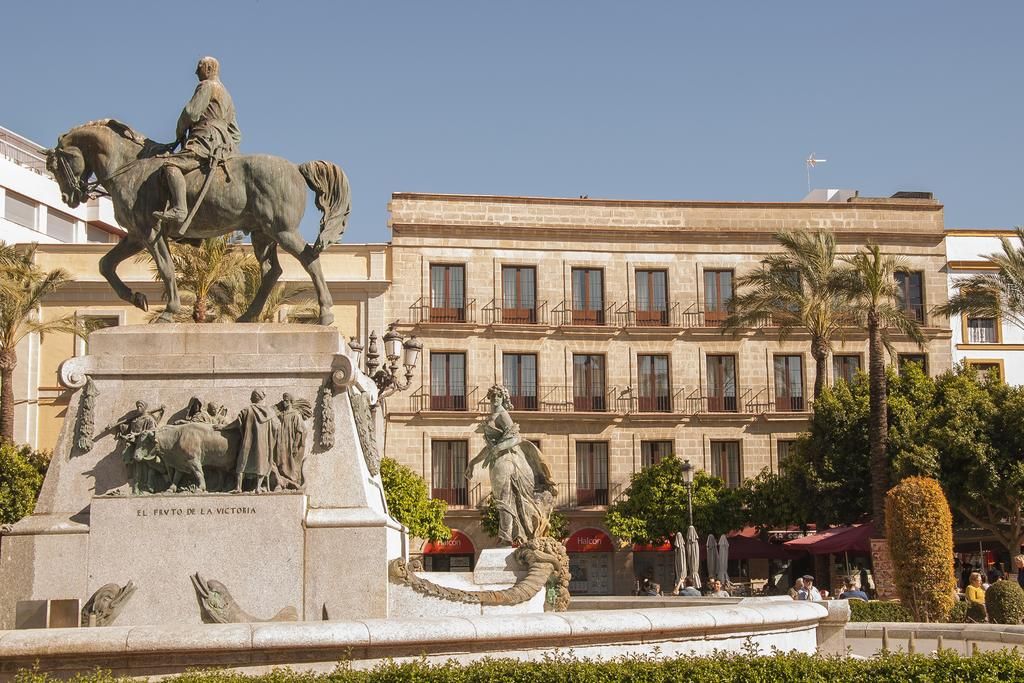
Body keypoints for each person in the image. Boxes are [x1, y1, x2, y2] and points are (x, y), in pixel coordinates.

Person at [153, 56, 242, 234]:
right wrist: (225, 145)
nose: (195, 72)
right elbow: (236, 133)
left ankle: (179, 209)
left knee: (171, 165)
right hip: (225, 146)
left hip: (204, 139)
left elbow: (191, 113)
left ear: (208, 69)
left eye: (199, 68)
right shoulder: (227, 95)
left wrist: (179, 131)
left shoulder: (207, 86)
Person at [466, 385, 556, 544]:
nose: (495, 399)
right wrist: (473, 462)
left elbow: (516, 438)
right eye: (493, 396)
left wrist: (498, 448)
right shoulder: (493, 416)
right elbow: (489, 447)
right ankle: (510, 535)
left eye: (498, 396)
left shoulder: (502, 414)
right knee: (503, 499)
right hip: (497, 462)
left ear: (503, 398)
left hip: (507, 461)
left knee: (504, 499)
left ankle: (506, 537)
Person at [217, 389, 277, 493]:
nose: (250, 398)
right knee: (262, 463)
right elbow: (276, 428)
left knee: (242, 463)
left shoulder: (247, 410)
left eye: (251, 396)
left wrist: (223, 428)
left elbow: (236, 424)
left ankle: (238, 487)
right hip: (263, 445)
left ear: (255, 397)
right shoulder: (270, 412)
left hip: (248, 443)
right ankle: (258, 487)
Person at [273, 392, 311, 490]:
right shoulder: (281, 414)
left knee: (290, 462)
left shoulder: (295, 415)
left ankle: (292, 481)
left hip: (290, 443)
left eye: (286, 401)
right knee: (280, 461)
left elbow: (300, 431)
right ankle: (281, 481)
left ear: (290, 402)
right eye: (283, 400)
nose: (284, 402)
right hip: (281, 442)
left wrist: (295, 445)